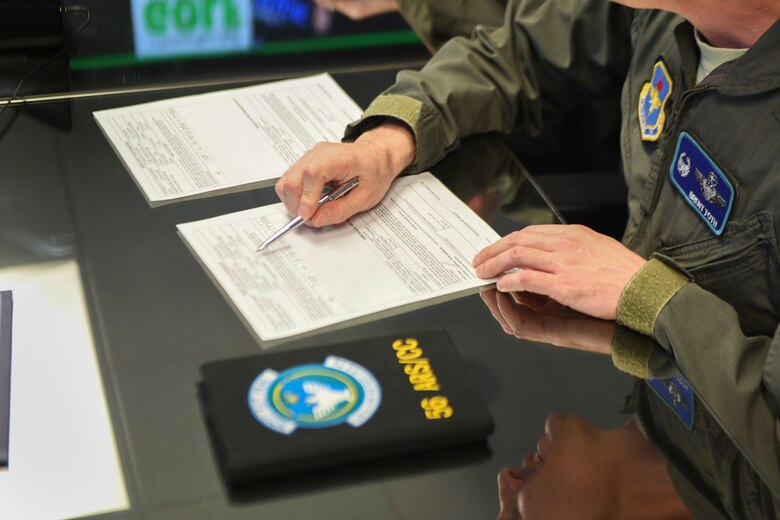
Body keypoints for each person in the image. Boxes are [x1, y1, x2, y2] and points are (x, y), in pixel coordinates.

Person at [275, 0, 780, 515]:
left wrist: (645, 294)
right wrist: (388, 141)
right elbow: (520, 50)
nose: (507, 487)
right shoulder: (655, 10)